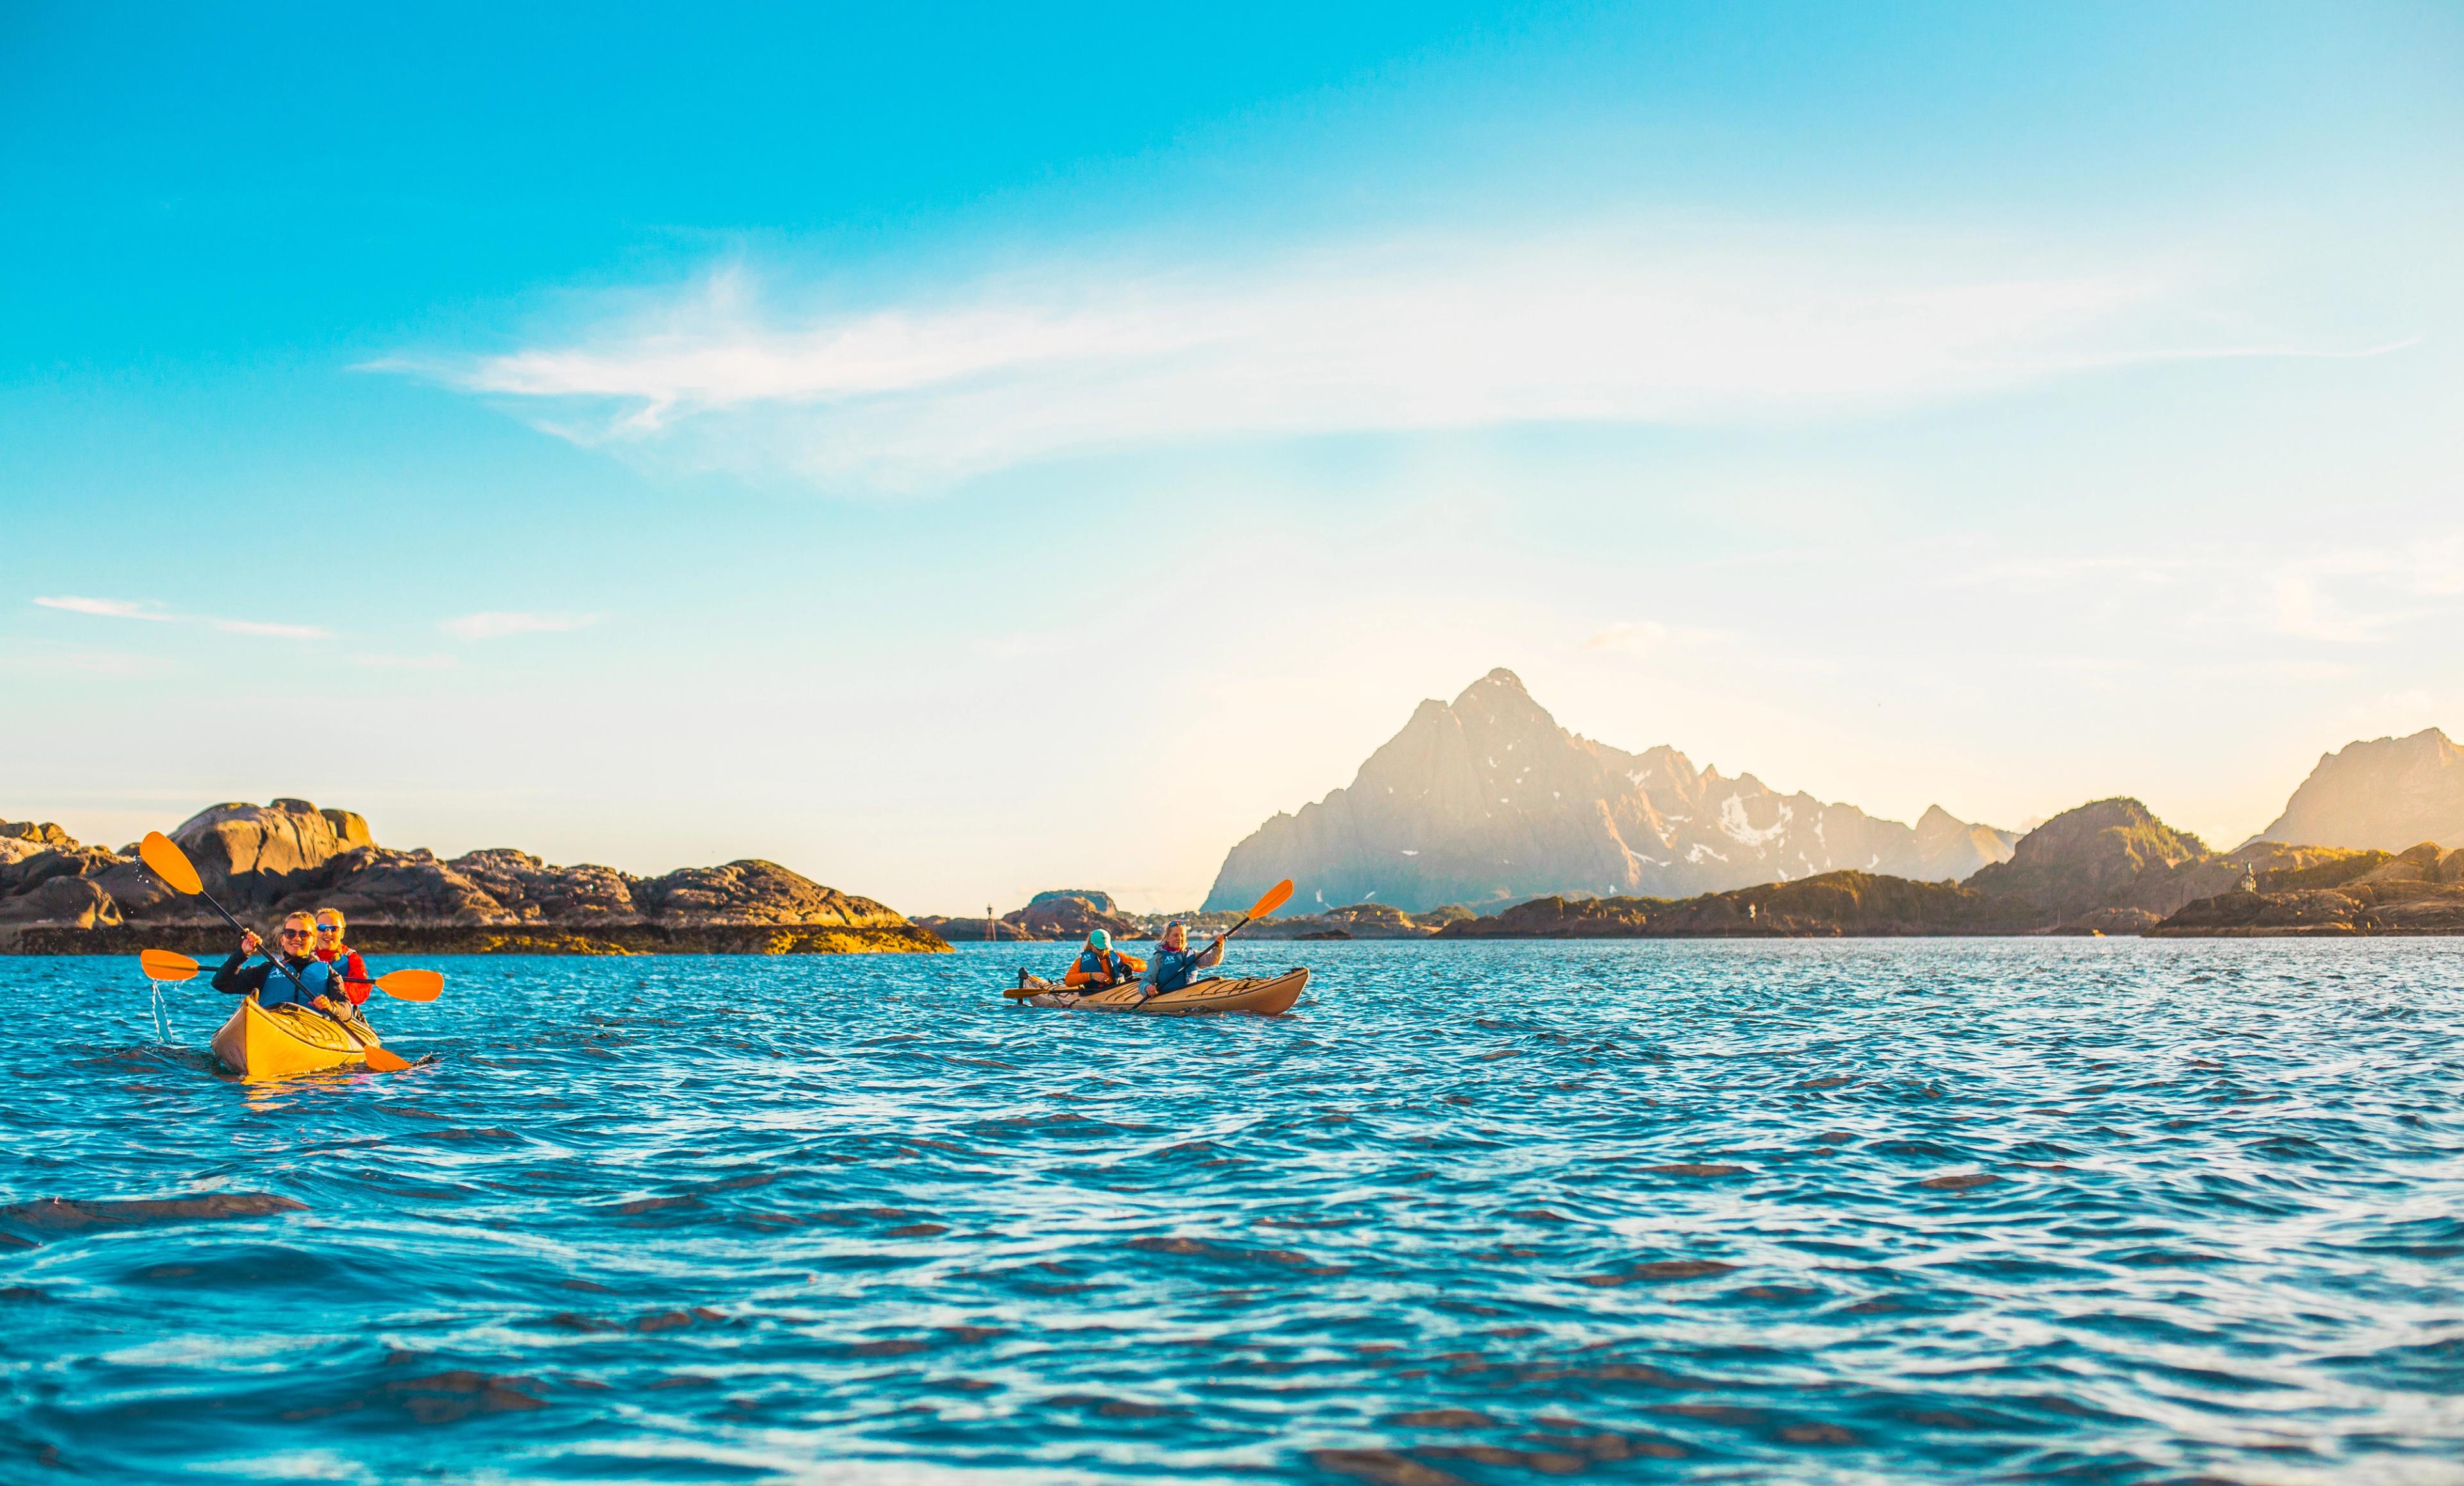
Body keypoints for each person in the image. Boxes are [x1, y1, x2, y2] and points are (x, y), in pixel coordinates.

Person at [211, 911, 349, 1017]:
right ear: (283, 940)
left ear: (313, 942)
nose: (297, 938)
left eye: (304, 934)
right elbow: (221, 983)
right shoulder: (267, 970)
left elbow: (346, 1009)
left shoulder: (328, 973)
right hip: (273, 1026)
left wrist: (331, 1007)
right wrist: (243, 952)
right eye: (290, 933)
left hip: (313, 1030)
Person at [1141, 921, 1224, 1000]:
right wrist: (1148, 987)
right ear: (1168, 938)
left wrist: (1218, 947)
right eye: (1176, 935)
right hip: (1169, 997)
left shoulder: (1192, 954)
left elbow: (1213, 961)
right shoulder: (1159, 958)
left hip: (1192, 995)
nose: (1179, 939)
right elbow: (1144, 982)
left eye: (1182, 936)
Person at [312, 909, 370, 1006]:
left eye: (334, 929)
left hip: (340, 1011)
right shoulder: (306, 957)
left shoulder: (352, 959)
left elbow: (362, 993)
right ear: (314, 931)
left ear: (342, 933)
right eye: (322, 928)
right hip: (308, 1009)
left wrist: (335, 986)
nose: (328, 933)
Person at [1062, 929, 1145, 989]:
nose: (1103, 951)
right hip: (1095, 994)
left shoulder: (1118, 956)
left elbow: (1143, 965)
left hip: (1119, 990)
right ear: (1091, 945)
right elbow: (1069, 981)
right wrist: (1091, 976)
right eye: (1100, 949)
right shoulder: (1081, 961)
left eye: (1106, 948)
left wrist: (1131, 965)